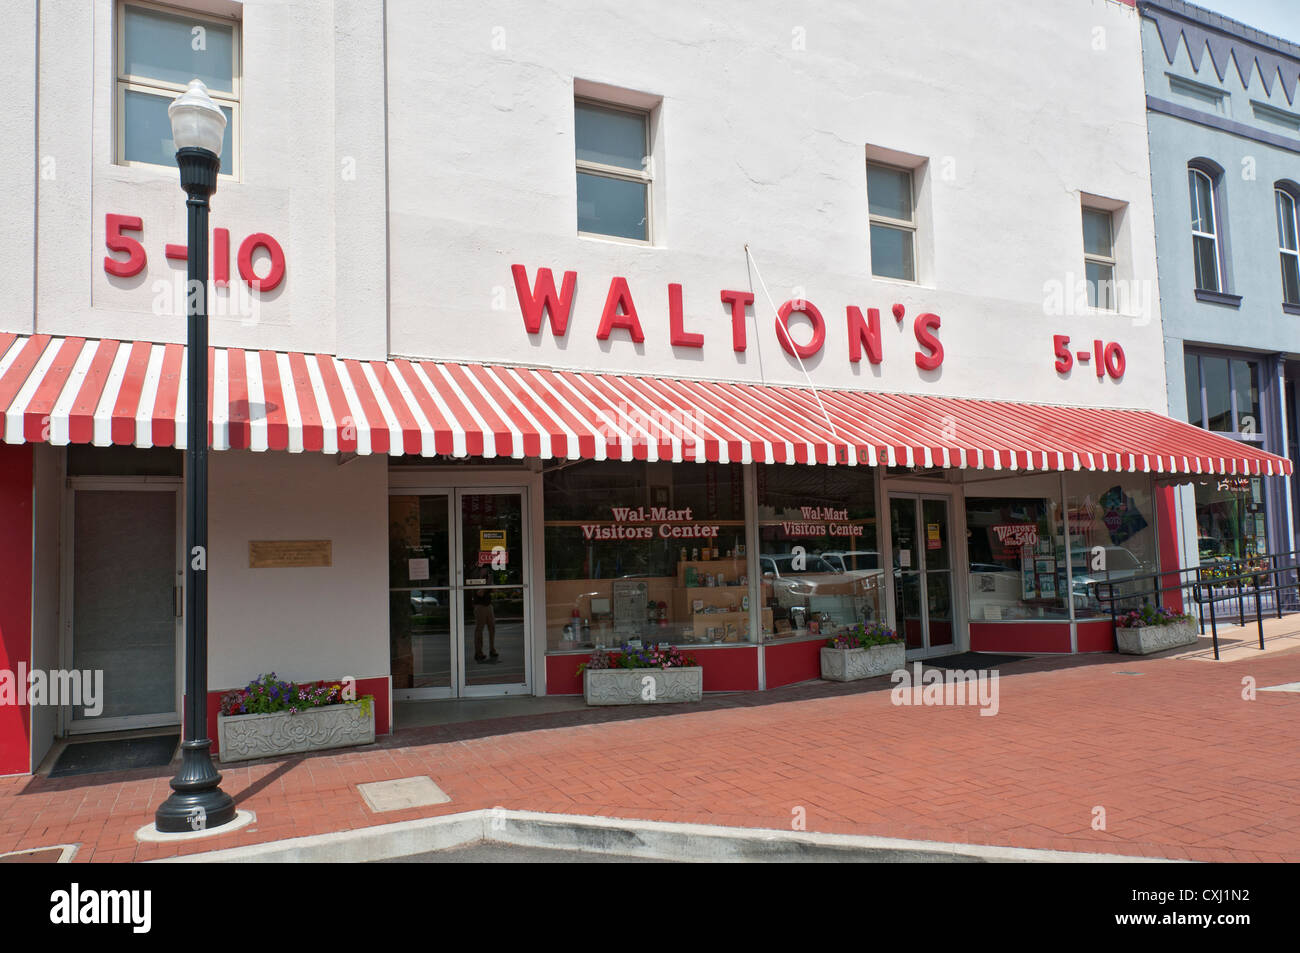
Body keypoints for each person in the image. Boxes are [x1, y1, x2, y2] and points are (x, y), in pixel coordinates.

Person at [473, 586, 498, 663]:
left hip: (489, 605)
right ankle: (478, 653)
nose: (486, 573)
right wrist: (487, 585)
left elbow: (495, 590)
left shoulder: (488, 578)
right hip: (480, 606)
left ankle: (492, 650)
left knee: (492, 628)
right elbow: (480, 593)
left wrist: (490, 585)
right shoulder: (476, 577)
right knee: (479, 629)